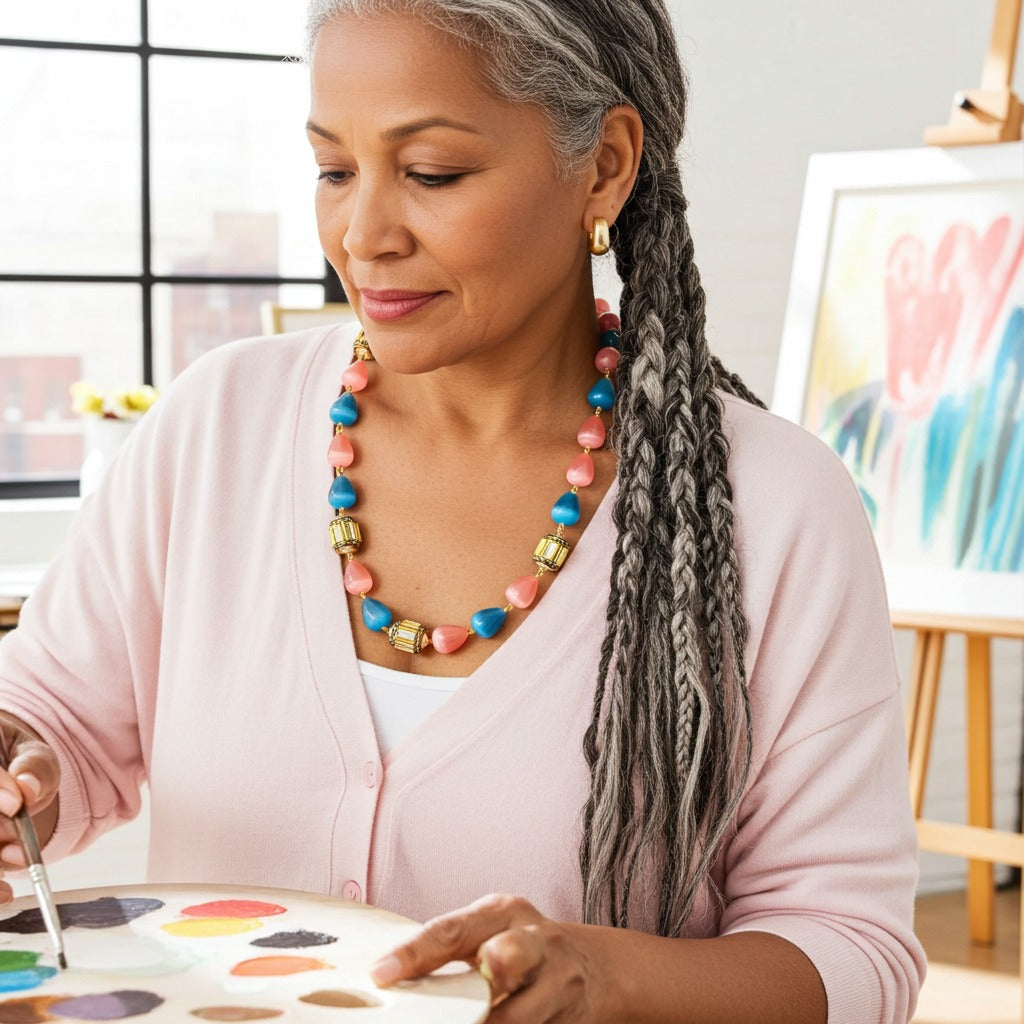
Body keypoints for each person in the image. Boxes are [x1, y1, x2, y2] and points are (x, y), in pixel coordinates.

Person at [0, 0, 926, 1020]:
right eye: (333, 170)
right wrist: (19, 765)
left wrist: (615, 980)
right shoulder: (217, 424)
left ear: (605, 166)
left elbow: (852, 949)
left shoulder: (775, 508)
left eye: (432, 173)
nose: (363, 235)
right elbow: (55, 725)